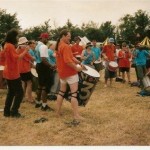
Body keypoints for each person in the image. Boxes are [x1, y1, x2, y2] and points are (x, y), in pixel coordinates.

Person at [55, 29, 84, 120]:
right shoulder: (66, 46)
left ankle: (58, 112)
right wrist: (77, 68)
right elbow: (68, 61)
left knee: (61, 92)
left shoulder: (58, 45)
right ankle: (76, 115)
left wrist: (78, 61)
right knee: (74, 94)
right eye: (68, 37)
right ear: (63, 36)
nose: (70, 38)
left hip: (62, 73)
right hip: (70, 73)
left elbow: (71, 57)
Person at [3, 28, 30, 118]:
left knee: (11, 92)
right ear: (13, 37)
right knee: (20, 93)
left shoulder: (6, 45)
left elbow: (12, 56)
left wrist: (18, 49)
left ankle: (6, 112)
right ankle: (14, 111)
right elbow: (16, 58)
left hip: (8, 71)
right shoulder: (10, 46)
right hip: (13, 72)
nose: (17, 38)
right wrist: (25, 51)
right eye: (16, 36)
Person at [35, 33, 55, 111]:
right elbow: (44, 59)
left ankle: (38, 102)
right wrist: (51, 66)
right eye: (47, 38)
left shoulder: (37, 45)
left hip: (38, 65)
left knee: (40, 85)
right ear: (43, 38)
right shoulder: (43, 46)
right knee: (45, 87)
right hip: (43, 67)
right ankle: (44, 106)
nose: (48, 40)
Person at [17, 37, 35, 103]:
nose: (27, 44)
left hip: (20, 69)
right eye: (26, 42)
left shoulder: (18, 49)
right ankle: (29, 98)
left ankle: (22, 97)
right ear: (24, 43)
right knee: (29, 83)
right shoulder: (24, 49)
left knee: (23, 83)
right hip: (25, 69)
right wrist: (34, 58)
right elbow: (31, 58)